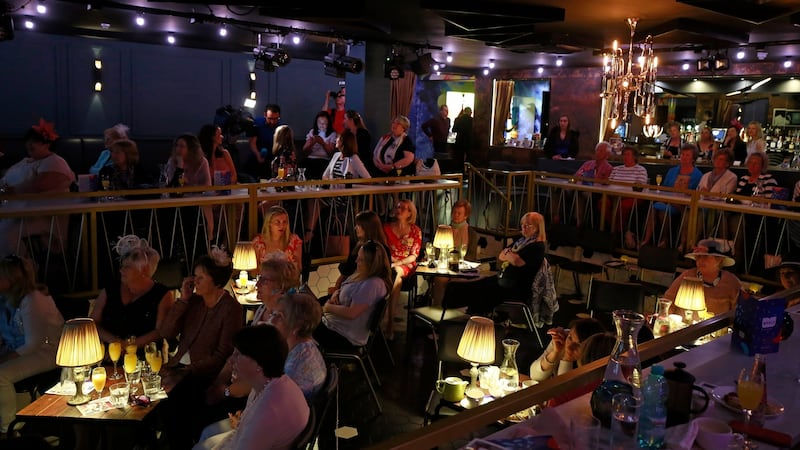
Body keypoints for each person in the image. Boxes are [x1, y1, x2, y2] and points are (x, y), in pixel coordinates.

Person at [200, 293, 324, 446]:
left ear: (296, 328)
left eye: (278, 316)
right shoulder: (297, 351)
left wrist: (227, 394)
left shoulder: (291, 368)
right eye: (272, 314)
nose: (270, 320)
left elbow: (267, 408)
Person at [158, 248, 242, 449]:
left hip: (203, 374)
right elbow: (166, 332)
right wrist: (183, 299)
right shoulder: (194, 302)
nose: (195, 281)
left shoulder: (231, 309)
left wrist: (187, 371)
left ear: (216, 281)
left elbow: (222, 354)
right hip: (179, 367)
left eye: (201, 278)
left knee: (174, 406)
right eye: (194, 276)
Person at [191, 325, 309, 450]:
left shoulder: (268, 409)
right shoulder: (275, 382)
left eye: (238, 355)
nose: (230, 360)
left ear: (259, 364)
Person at [0, 255, 64, 435]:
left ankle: (9, 428)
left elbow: (33, 344)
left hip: (49, 351)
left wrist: (4, 358)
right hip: (28, 350)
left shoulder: (33, 300)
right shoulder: (7, 300)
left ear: (12, 279)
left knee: (1, 375)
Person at [0, 119, 75, 258]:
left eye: (34, 141)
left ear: (47, 143)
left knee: (4, 233)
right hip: (16, 212)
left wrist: (7, 191)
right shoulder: (25, 161)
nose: (29, 144)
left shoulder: (55, 162)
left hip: (44, 216)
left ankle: (21, 272)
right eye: (28, 141)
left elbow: (37, 185)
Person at [90, 235, 174, 348]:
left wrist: (129, 347)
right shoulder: (110, 290)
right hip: (109, 354)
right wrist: (116, 343)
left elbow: (159, 332)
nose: (121, 270)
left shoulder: (162, 295)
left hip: (145, 356)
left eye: (127, 267)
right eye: (122, 266)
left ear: (143, 270)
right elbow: (93, 323)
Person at [313, 241, 392, 348]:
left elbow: (352, 313)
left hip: (343, 335)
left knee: (298, 327)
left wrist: (327, 307)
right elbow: (350, 290)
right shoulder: (364, 275)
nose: (356, 261)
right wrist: (336, 293)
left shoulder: (372, 284)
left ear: (372, 263)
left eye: (361, 260)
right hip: (335, 326)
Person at [641, 143, 703, 249]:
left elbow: (696, 193)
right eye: (683, 154)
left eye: (687, 155)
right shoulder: (672, 171)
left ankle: (666, 239)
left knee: (663, 210)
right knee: (654, 207)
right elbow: (665, 187)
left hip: (683, 205)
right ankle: (647, 239)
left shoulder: (698, 175)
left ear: (693, 158)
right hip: (668, 200)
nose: (684, 157)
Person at [663, 239, 742, 315]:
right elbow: (668, 300)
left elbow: (739, 312)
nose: (700, 261)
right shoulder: (687, 276)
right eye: (698, 257)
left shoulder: (731, 282)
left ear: (719, 260)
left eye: (705, 257)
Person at [383, 199, 422, 340]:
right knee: (395, 276)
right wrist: (392, 262)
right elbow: (384, 250)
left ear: (410, 213)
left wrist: (398, 263)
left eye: (404, 208)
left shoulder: (415, 231)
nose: (400, 210)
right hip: (389, 263)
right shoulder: (386, 228)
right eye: (398, 207)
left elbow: (413, 256)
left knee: (397, 272)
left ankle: (390, 321)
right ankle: (388, 320)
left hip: (406, 264)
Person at [430, 200, 479, 306]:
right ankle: (438, 308)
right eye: (454, 212)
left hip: (461, 268)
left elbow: (471, 257)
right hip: (445, 266)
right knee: (440, 278)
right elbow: (437, 252)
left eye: (459, 213)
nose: (455, 215)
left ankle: (456, 310)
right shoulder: (444, 230)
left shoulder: (471, 233)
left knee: (458, 280)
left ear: (465, 216)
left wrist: (459, 263)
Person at [528, 318, 605, 382]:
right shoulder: (563, 339)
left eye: (577, 345)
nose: (569, 346)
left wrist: (567, 359)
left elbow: (562, 392)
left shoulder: (596, 359)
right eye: (570, 338)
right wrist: (555, 352)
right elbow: (535, 376)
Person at [332, 210, 390, 294]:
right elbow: (345, 272)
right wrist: (337, 289)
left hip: (361, 291)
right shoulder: (357, 245)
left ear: (368, 227)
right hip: (349, 287)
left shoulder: (377, 250)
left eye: (359, 225)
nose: (355, 228)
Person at [497, 212, 546, 302]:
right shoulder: (521, 240)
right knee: (481, 284)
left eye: (528, 225)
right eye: (522, 224)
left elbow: (517, 262)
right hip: (506, 278)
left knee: (487, 288)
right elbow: (501, 255)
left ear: (537, 227)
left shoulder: (537, 246)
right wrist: (510, 255)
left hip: (518, 284)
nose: (523, 227)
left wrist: (509, 254)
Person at [607, 146, 648, 247]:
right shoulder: (616, 169)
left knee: (622, 207)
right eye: (624, 154)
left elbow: (640, 186)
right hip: (613, 195)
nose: (625, 157)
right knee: (603, 203)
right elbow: (608, 183)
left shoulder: (641, 170)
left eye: (628, 155)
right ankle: (613, 231)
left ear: (634, 157)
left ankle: (618, 233)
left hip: (631, 197)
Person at [249, 251, 301, 325]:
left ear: (281, 286)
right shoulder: (262, 309)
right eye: (259, 278)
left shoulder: (286, 318)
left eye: (264, 281)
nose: (257, 284)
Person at [251, 205, 303, 273]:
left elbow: (299, 268)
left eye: (284, 222)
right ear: (269, 223)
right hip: (265, 280)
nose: (282, 226)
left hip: (287, 280)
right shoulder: (258, 242)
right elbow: (253, 270)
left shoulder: (294, 240)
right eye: (277, 222)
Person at [572, 141, 613, 227]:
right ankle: (555, 217)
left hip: (595, 192)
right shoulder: (588, 164)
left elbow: (606, 183)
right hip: (579, 186)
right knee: (558, 189)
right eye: (597, 150)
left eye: (601, 151)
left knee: (581, 194)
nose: (598, 152)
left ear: (607, 154)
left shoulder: (609, 168)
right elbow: (576, 176)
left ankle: (578, 223)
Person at [247, 104, 282, 179]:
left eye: (276, 119)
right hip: (256, 158)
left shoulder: (281, 128)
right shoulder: (257, 123)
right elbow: (252, 143)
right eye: (270, 118)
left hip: (272, 161)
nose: (272, 122)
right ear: (265, 114)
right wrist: (257, 154)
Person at [301, 110, 337, 180]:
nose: (322, 125)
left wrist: (322, 143)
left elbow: (331, 152)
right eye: (320, 123)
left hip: (324, 160)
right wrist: (313, 142)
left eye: (324, 123)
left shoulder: (332, 134)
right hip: (311, 158)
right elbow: (304, 150)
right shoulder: (312, 132)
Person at [344, 110, 376, 176]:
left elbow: (363, 152)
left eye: (345, 119)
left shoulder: (363, 134)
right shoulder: (346, 134)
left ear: (351, 120)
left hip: (364, 165)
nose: (343, 121)